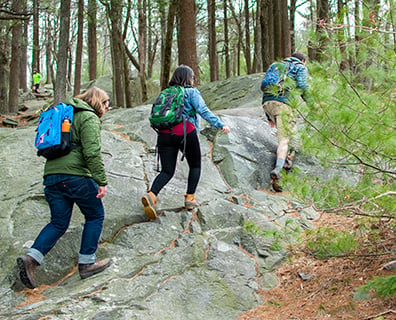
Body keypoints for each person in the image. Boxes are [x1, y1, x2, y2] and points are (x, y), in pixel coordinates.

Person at [17, 86, 112, 289]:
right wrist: (101, 181)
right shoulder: (89, 117)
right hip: (76, 177)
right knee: (95, 215)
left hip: (52, 177)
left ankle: (31, 259)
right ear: (98, 103)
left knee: (58, 223)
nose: (107, 108)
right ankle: (87, 262)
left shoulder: (64, 113)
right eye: (106, 104)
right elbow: (92, 152)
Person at [142, 65, 230, 219]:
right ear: (188, 78)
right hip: (184, 132)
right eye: (192, 76)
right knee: (195, 165)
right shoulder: (191, 92)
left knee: (167, 170)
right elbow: (203, 110)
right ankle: (190, 198)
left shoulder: (165, 93)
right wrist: (220, 124)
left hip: (164, 133)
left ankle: (152, 195)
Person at [261, 52, 311, 192]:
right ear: (303, 60)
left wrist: (268, 115)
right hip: (283, 104)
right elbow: (302, 86)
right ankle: (278, 169)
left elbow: (267, 88)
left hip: (267, 103)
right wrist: (313, 105)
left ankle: (286, 163)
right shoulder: (300, 67)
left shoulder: (276, 65)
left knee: (292, 135)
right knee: (285, 140)